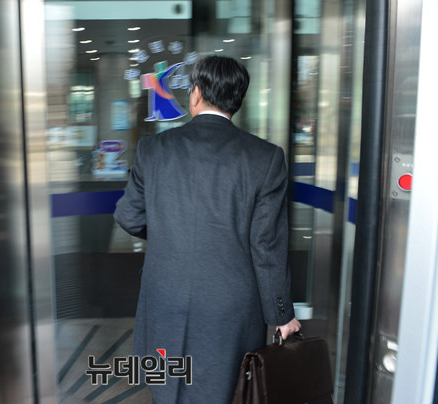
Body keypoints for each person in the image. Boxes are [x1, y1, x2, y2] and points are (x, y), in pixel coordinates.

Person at [114, 55, 301, 403]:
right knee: (223, 391)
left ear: (196, 93)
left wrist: (170, 234)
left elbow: (129, 216)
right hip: (230, 309)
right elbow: (266, 246)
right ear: (237, 101)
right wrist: (282, 314)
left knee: (167, 388)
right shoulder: (265, 158)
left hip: (165, 298)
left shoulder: (153, 149)